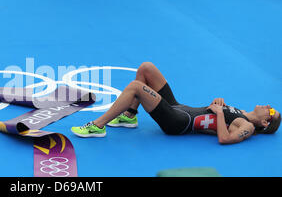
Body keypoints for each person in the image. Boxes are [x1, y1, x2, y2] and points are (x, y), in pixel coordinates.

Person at [71, 62, 281, 144]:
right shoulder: (242, 112)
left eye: (271, 111)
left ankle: (97, 126)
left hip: (179, 122)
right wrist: (217, 105)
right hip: (181, 107)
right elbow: (214, 116)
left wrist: (218, 113)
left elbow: (225, 139)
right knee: (147, 68)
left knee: (136, 86)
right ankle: (130, 116)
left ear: (264, 123)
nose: (267, 106)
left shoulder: (248, 126)